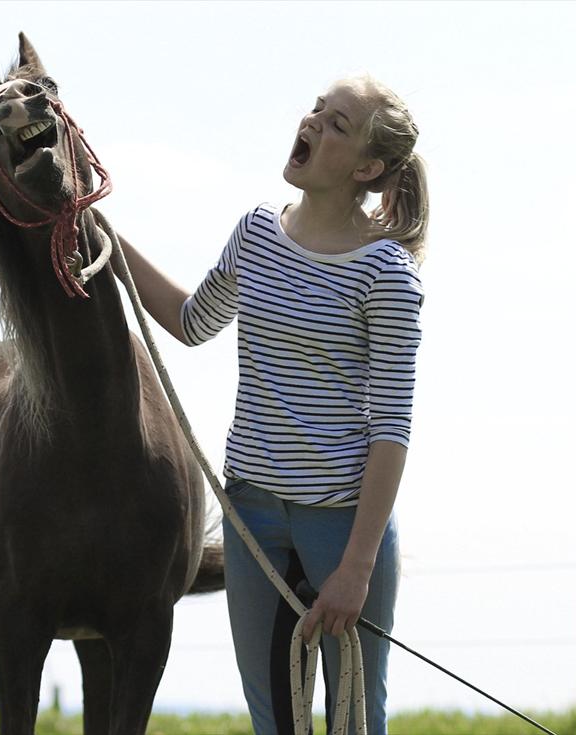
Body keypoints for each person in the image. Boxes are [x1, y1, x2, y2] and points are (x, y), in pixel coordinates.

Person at [113, 73, 427, 735]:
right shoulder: (257, 233)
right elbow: (193, 320)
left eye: (337, 123)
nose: (312, 122)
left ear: (368, 166)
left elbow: (392, 429)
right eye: (316, 109)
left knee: (354, 724)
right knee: (276, 724)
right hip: (252, 516)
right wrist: (105, 238)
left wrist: (357, 568)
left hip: (342, 527)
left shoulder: (386, 273)